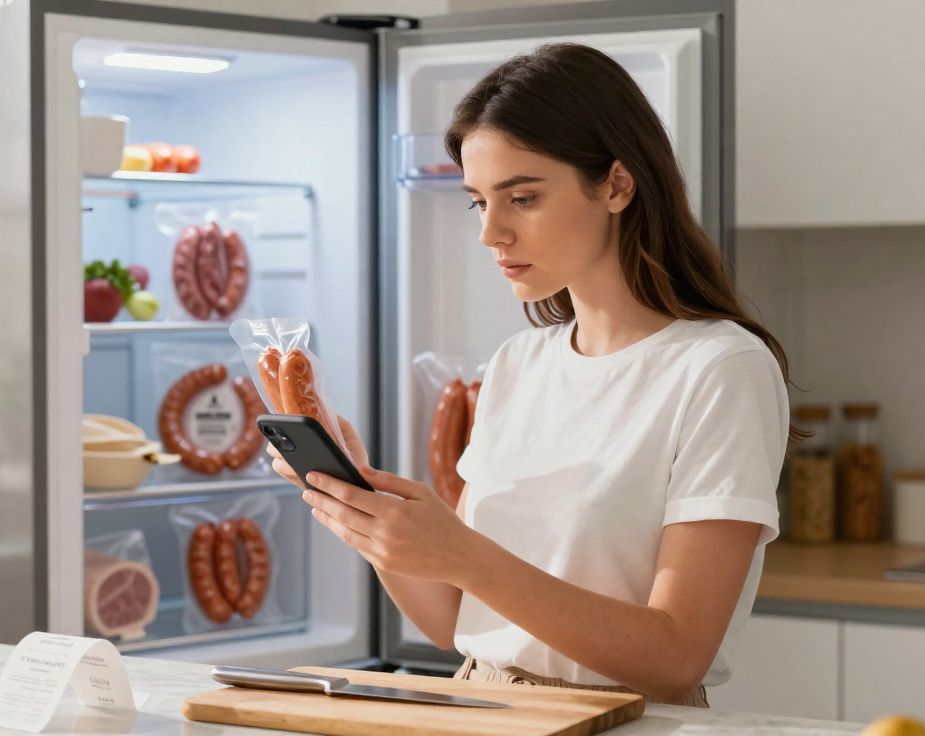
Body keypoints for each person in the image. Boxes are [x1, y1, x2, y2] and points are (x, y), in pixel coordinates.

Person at [268, 42, 796, 707]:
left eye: (521, 197)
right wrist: (360, 507)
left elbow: (677, 656)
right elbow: (455, 624)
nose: (491, 233)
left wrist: (462, 552)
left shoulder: (720, 368)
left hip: (622, 721)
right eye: (478, 202)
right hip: (481, 708)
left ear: (616, 185)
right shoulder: (520, 363)